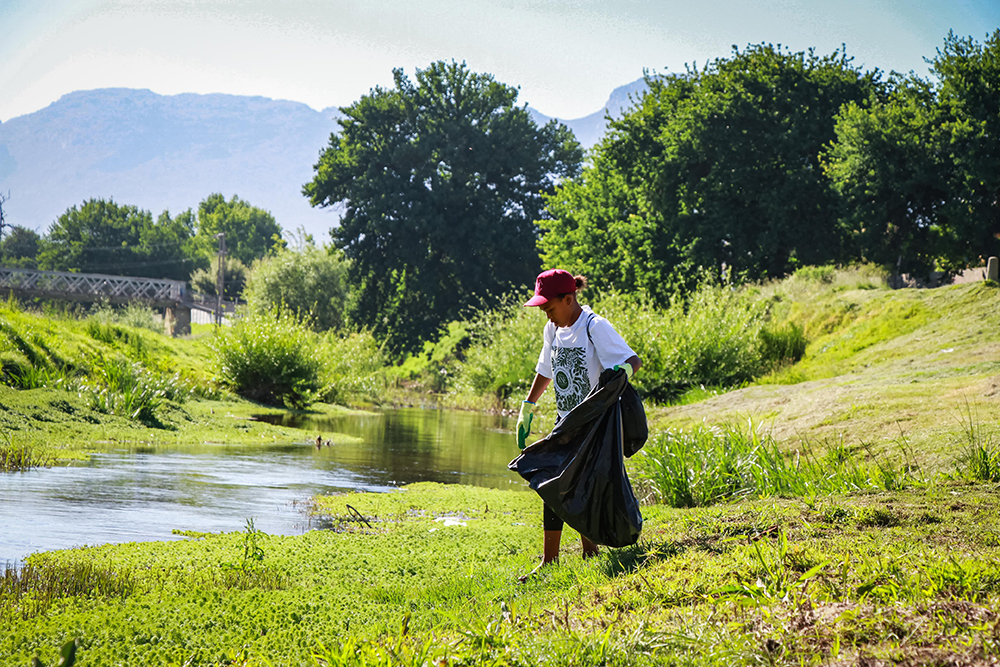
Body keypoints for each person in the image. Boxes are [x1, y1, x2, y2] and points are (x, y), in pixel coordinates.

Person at [515, 268, 641, 578]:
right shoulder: (554, 331)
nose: (547, 316)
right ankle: (559, 558)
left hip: (594, 421)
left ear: (568, 299)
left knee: (573, 483)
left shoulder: (594, 327)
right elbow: (546, 368)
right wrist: (528, 405)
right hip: (566, 418)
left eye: (550, 308)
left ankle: (581, 552)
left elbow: (632, 360)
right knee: (555, 482)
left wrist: (623, 370)